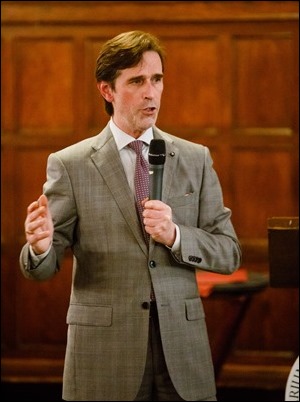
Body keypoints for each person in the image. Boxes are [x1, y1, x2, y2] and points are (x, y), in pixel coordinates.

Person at [19, 30, 242, 401]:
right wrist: (41, 247)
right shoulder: (70, 165)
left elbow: (229, 251)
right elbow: (42, 267)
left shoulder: (194, 159)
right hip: (105, 355)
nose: (150, 92)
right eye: (137, 81)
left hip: (181, 355)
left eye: (156, 79)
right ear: (107, 90)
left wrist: (176, 235)